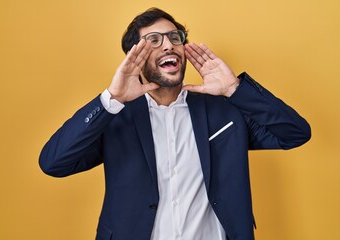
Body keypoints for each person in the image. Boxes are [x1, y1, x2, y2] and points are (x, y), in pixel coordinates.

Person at [39, 7, 311, 240]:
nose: (168, 45)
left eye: (174, 38)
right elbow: (53, 163)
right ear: (135, 57)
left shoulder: (224, 111)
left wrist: (234, 89)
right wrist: (111, 100)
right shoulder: (115, 117)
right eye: (153, 40)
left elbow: (294, 133)